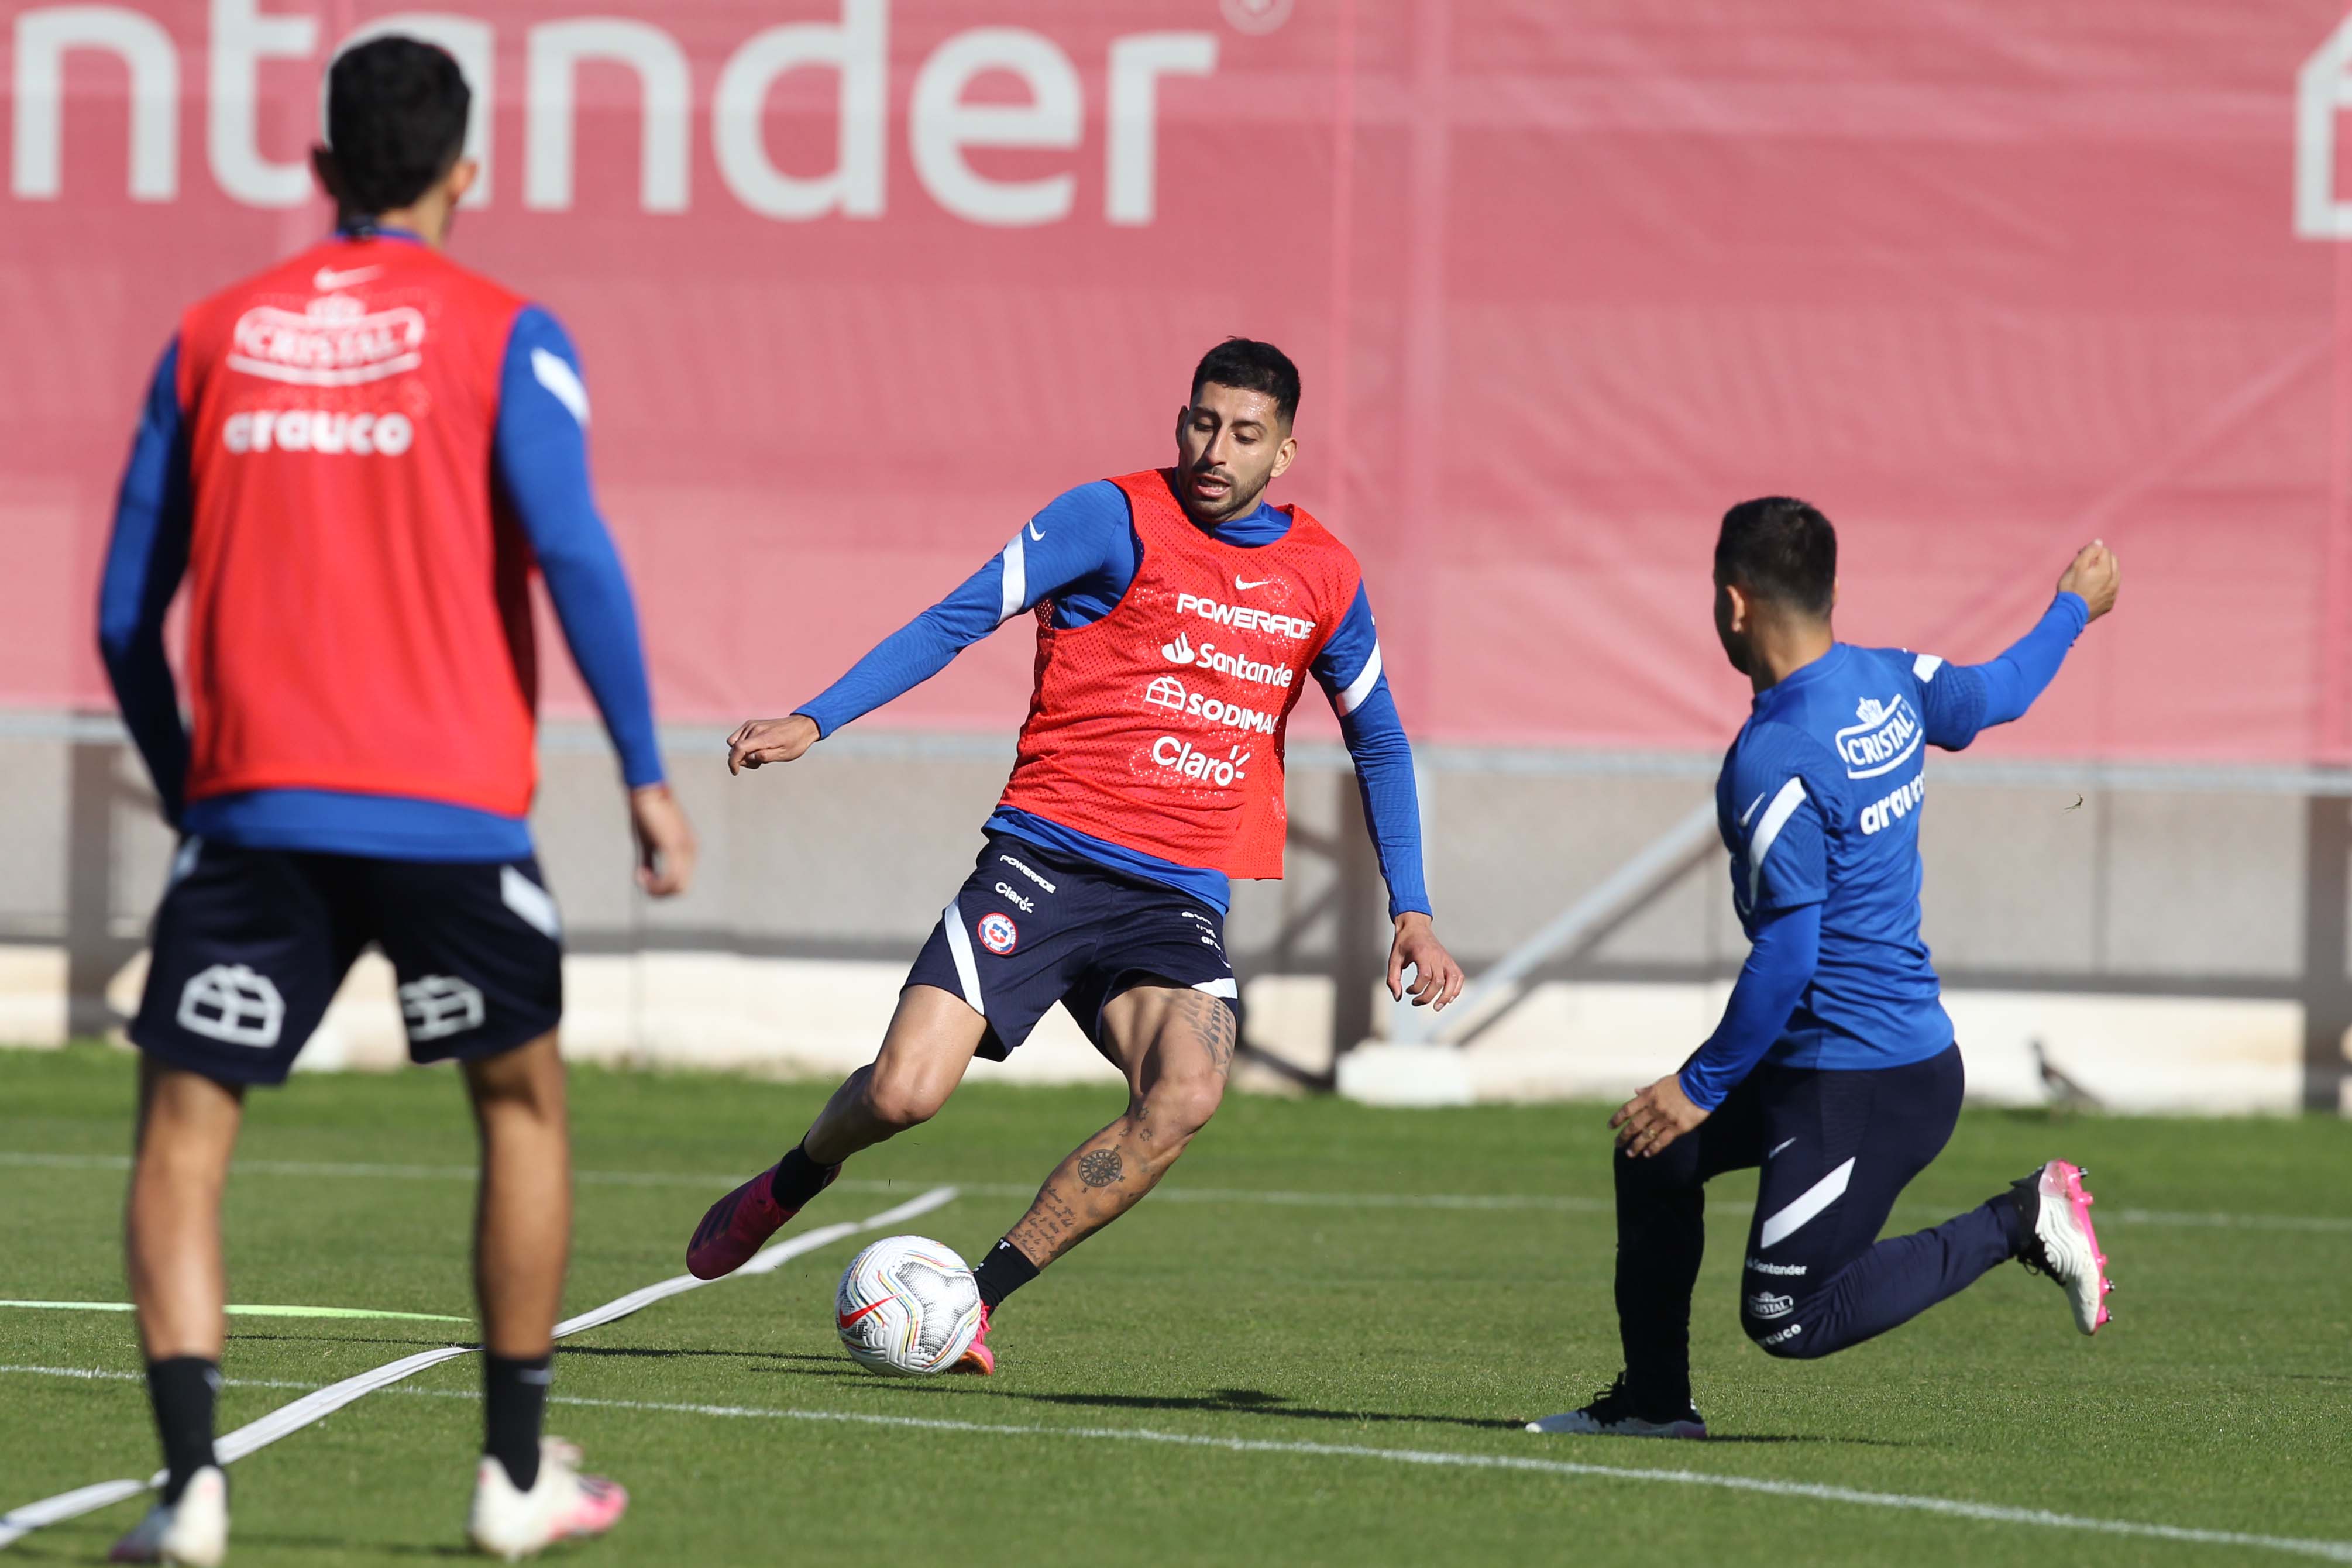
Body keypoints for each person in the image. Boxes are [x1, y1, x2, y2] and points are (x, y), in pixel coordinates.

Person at [95, 37, 694, 1562]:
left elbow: (120, 615)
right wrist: (643, 772)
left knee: (183, 1136)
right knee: (521, 1109)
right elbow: (575, 553)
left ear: (320, 169)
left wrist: (189, 783)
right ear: (465, 169)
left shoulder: (211, 334)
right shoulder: (507, 332)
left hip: (256, 820)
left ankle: (191, 1489)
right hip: (453, 823)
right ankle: (511, 1478)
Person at [687, 339, 1463, 1370]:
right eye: (1202, 423)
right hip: (1045, 863)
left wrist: (1413, 908)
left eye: (1245, 435)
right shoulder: (1109, 515)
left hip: (1174, 899)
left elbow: (1380, 739)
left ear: (1284, 454)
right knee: (903, 1095)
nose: (1215, 450)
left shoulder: (1324, 574)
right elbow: (960, 616)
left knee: (1186, 1095)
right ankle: (793, 1178)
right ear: (1180, 419)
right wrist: (814, 719)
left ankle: (975, 1302)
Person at [1528, 498, 2119, 1439]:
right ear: (1831, 590)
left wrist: (1700, 1084)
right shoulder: (1891, 679)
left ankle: (2022, 1218)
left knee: (1785, 1315)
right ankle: (1655, 1406)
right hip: (1840, 1055)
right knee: (1655, 1153)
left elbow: (1788, 950)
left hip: (1868, 1078)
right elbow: (1999, 693)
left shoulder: (1775, 755)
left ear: (1732, 603)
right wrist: (2073, 608)